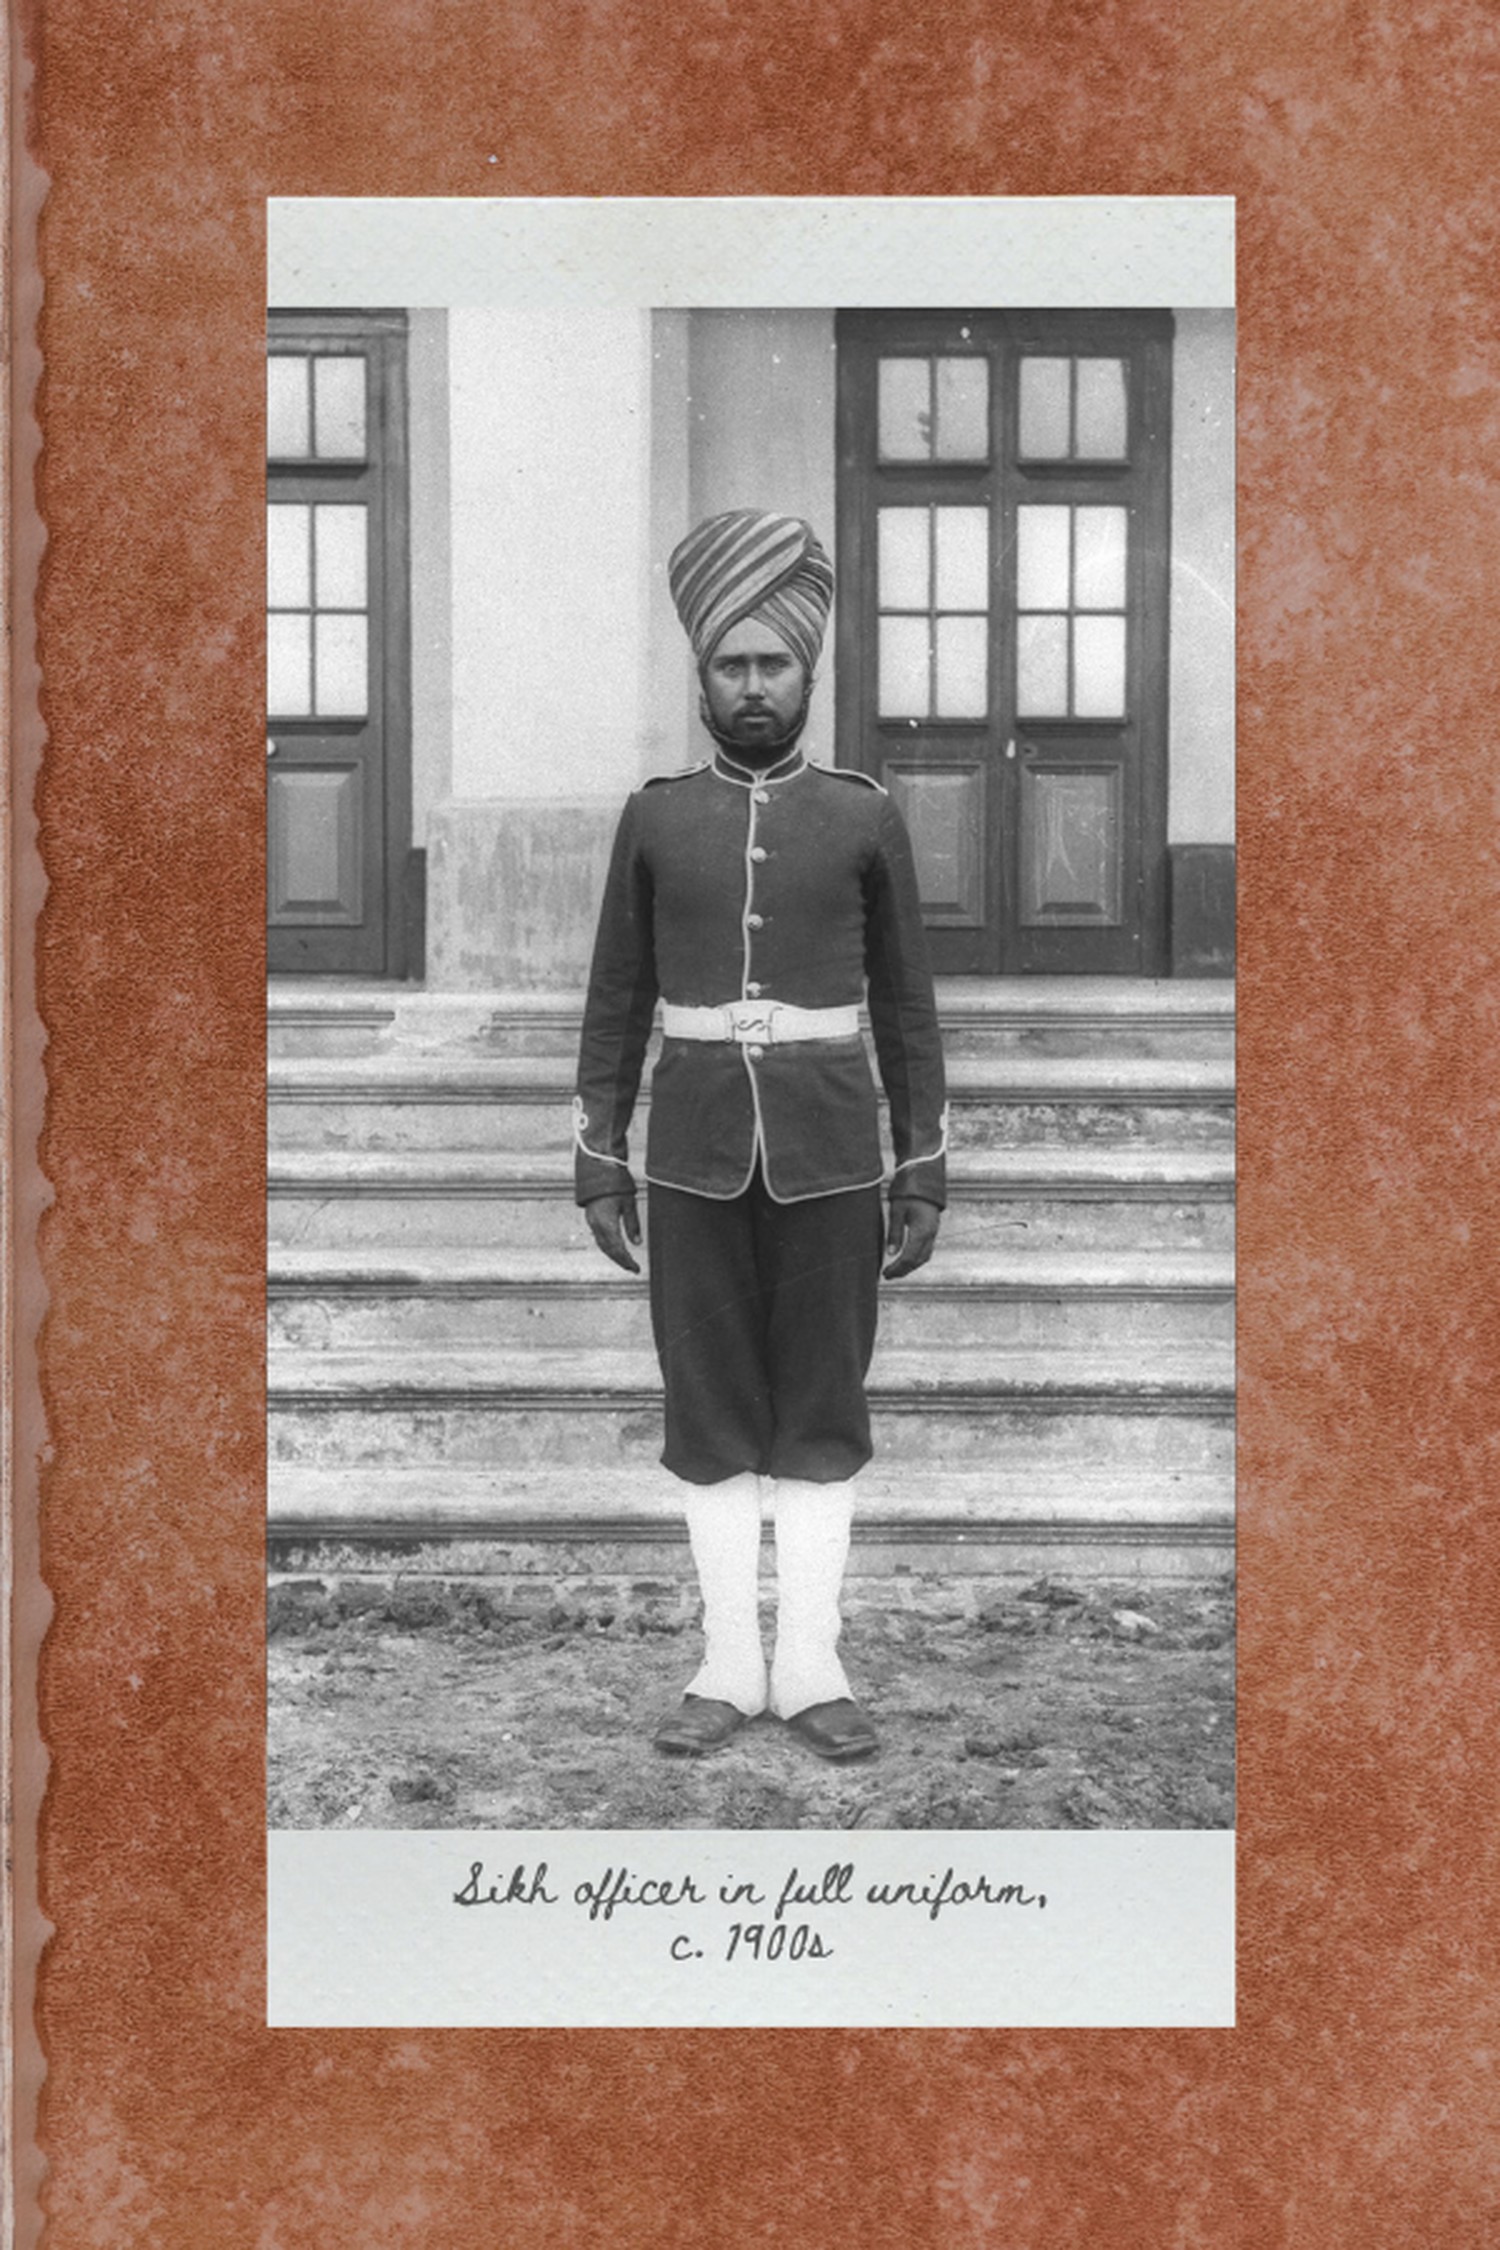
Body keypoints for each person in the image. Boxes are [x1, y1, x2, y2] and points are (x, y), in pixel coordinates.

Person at [573, 508, 946, 1762]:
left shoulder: (859, 816)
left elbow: (905, 1005)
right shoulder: (657, 816)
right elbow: (618, 996)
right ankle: (730, 1666)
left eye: (770, 664)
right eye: (728, 664)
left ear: (808, 674)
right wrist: (596, 1154)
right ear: (699, 677)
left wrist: (925, 1168)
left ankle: (815, 1665)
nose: (749, 686)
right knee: (712, 1409)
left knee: (823, 1412)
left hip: (835, 1153)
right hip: (687, 1156)